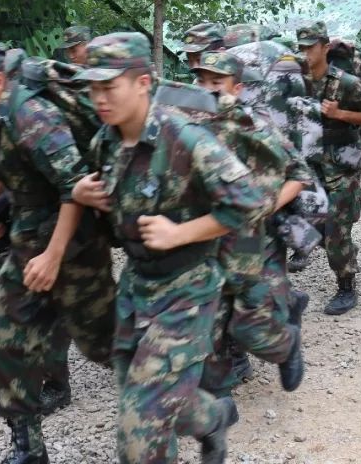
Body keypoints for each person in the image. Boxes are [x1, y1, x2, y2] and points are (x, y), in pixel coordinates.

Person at [72, 33, 269, 464]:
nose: (99, 99)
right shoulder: (104, 142)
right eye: (93, 89)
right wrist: (85, 196)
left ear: (143, 83)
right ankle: (215, 415)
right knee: (152, 402)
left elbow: (251, 203)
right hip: (136, 288)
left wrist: (181, 233)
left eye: (109, 87)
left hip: (188, 290)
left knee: (139, 430)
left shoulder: (185, 138)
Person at [0, 41, 116, 464]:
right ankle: (28, 445)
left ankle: (197, 388)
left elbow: (76, 188)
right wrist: (1, 207)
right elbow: (9, 165)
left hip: (75, 246)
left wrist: (54, 256)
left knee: (106, 345)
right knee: (1, 343)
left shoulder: (31, 116)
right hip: (28, 243)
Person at [188, 51, 309, 396]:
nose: (207, 90)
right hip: (204, 238)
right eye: (202, 82)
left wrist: (268, 204)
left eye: (217, 83)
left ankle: (285, 343)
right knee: (209, 320)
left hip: (248, 243)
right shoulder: (187, 126)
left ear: (237, 88)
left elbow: (299, 174)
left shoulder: (255, 126)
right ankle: (219, 404)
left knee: (247, 324)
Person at [294, 21, 361, 315]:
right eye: (302, 47)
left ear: (325, 47)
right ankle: (344, 250)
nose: (306, 53)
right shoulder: (298, 81)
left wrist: (340, 113)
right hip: (311, 165)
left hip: (342, 167)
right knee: (312, 225)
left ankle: (346, 285)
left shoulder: (346, 83)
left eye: (311, 47)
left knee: (335, 230)